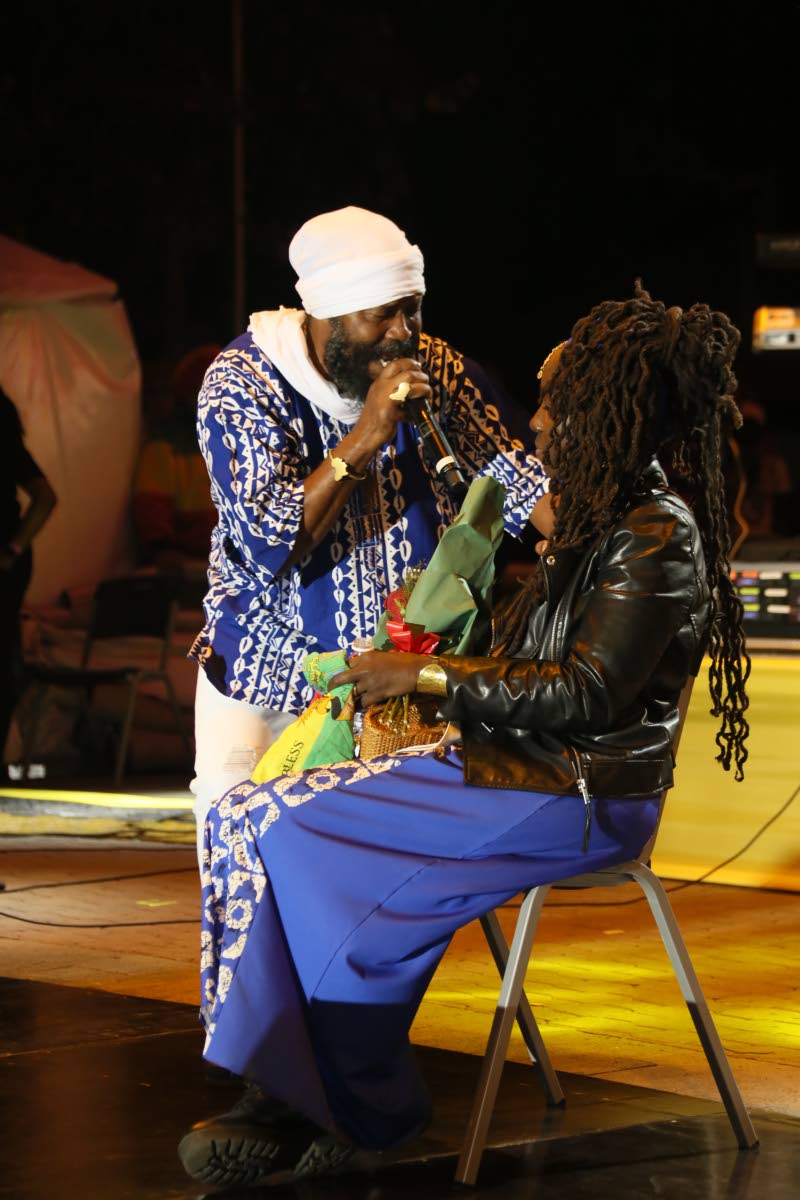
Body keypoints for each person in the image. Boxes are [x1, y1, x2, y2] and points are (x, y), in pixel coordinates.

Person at [178, 283, 751, 1189]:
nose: (540, 424)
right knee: (266, 822)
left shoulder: (655, 532)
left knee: (290, 830)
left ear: (608, 414)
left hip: (582, 797)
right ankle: (303, 1094)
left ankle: (351, 1106)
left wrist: (429, 677)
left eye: (558, 403)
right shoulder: (608, 520)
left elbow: (591, 691)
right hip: (528, 772)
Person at [187, 206, 550, 858]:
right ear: (328, 312)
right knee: (243, 866)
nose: (402, 332)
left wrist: (626, 532)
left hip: (388, 692)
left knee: (360, 881)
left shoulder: (436, 371)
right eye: (380, 315)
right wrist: (370, 434)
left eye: (411, 310)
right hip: (263, 684)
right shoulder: (242, 385)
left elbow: (523, 484)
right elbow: (270, 542)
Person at [0, 388, 57, 765]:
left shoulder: (7, 446)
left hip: (7, 561)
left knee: (5, 657)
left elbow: (45, 497)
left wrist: (12, 550)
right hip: (10, 559)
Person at [132, 343, 221, 575]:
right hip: (192, 568)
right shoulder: (166, 445)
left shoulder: (247, 439)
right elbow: (151, 505)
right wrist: (161, 547)